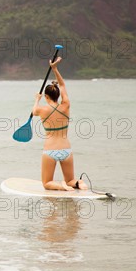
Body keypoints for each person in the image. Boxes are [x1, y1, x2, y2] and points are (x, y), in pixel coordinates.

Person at [32, 57, 88, 191]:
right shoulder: (66, 106)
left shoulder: (42, 110)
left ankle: (60, 186)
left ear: (46, 96)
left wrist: (37, 99)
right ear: (58, 95)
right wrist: (55, 69)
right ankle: (79, 184)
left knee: (47, 183)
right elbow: (62, 85)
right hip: (66, 149)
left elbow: (34, 112)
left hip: (50, 149)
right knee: (70, 179)